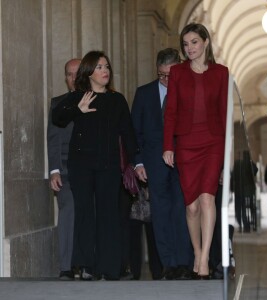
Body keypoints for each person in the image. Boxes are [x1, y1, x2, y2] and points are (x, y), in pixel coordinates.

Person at [52, 50, 138, 280]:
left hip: (108, 164)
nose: (105, 71)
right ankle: (86, 265)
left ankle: (109, 267)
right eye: (100, 67)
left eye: (107, 67)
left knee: (108, 214)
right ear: (89, 72)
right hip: (81, 165)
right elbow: (57, 117)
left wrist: (137, 162)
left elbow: (128, 133)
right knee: (85, 213)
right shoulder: (78, 96)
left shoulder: (117, 99)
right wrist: (76, 109)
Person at [162, 23, 229, 279]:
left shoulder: (221, 73)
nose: (189, 48)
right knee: (191, 207)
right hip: (186, 144)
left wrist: (226, 157)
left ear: (205, 42)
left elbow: (224, 116)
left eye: (194, 42)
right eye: (185, 44)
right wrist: (169, 145)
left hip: (213, 143)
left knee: (207, 199)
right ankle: (197, 250)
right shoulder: (177, 73)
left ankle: (203, 259)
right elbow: (171, 113)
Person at [131, 48, 193, 280]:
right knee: (160, 213)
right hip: (154, 164)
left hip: (184, 161)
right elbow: (134, 131)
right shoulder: (144, 93)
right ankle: (168, 263)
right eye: (161, 75)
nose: (167, 80)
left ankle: (184, 262)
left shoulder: (189, 91)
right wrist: (137, 162)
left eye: (171, 74)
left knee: (183, 211)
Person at [47, 58, 81, 280]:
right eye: (69, 74)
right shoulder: (58, 103)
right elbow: (53, 139)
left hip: (92, 170)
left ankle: (90, 265)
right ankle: (67, 267)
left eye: (77, 73)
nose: (72, 78)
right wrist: (54, 170)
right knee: (68, 211)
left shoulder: (101, 101)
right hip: (67, 171)